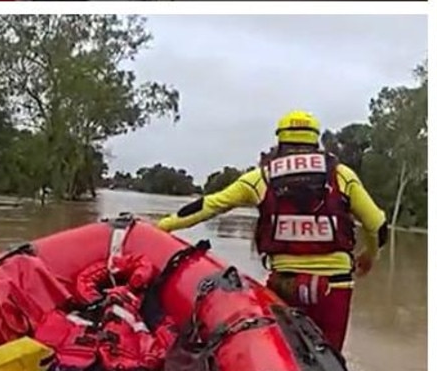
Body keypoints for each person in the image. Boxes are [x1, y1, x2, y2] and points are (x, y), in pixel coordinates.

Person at [156, 110, 388, 353]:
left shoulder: (261, 178)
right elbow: (378, 225)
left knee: (280, 355)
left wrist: (162, 226)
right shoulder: (342, 176)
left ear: (281, 141)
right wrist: (370, 256)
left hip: (283, 285)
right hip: (335, 288)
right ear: (315, 141)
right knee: (328, 358)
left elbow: (209, 205)